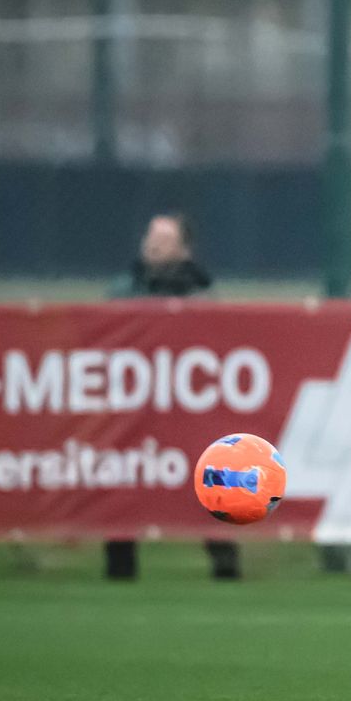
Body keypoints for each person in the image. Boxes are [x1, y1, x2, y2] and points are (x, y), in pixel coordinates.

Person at [104, 213, 239, 581]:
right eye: (150, 237)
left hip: (189, 412)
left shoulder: (201, 293)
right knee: (122, 485)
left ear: (183, 249)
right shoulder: (124, 289)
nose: (152, 245)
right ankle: (119, 567)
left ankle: (225, 562)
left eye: (163, 239)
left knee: (210, 483)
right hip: (135, 410)